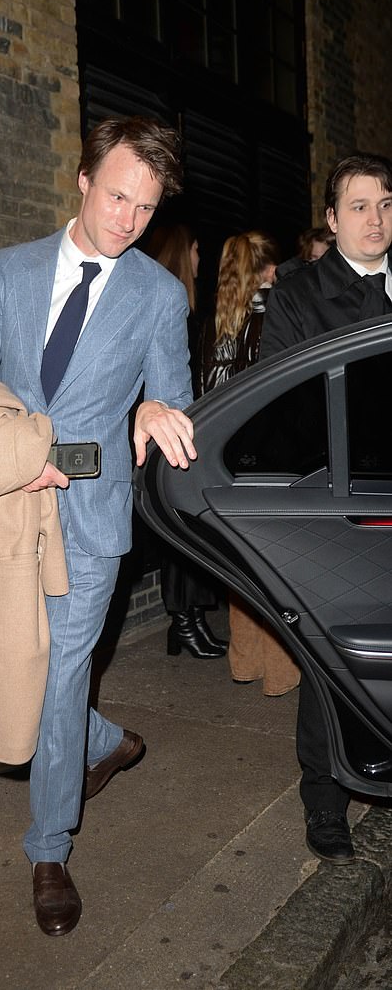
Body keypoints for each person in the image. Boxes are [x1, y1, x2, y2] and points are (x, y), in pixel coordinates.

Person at [0, 116, 196, 935]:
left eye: (146, 208)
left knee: (58, 673)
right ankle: (109, 738)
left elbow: (175, 398)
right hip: (10, 503)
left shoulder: (160, 295)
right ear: (85, 180)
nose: (128, 220)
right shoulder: (10, 273)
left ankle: (49, 847)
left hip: (90, 513)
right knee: (8, 664)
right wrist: (17, 447)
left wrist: (155, 405)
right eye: (118, 195)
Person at [260, 152, 392, 863]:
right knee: (330, 656)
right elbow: (281, 403)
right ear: (334, 218)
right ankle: (326, 801)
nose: (377, 219)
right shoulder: (300, 294)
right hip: (335, 506)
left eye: (387, 204)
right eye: (361, 206)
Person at [199, 230, 301, 697]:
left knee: (241, 566)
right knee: (277, 566)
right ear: (267, 269)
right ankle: (281, 674)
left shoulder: (216, 320)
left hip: (222, 456)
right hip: (268, 457)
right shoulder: (276, 310)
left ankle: (245, 663)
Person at [145, 223, 226, 658]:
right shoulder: (169, 300)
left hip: (184, 423)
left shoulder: (183, 302)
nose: (200, 259)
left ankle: (187, 621)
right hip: (169, 426)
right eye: (196, 249)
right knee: (181, 530)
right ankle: (183, 621)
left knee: (188, 530)